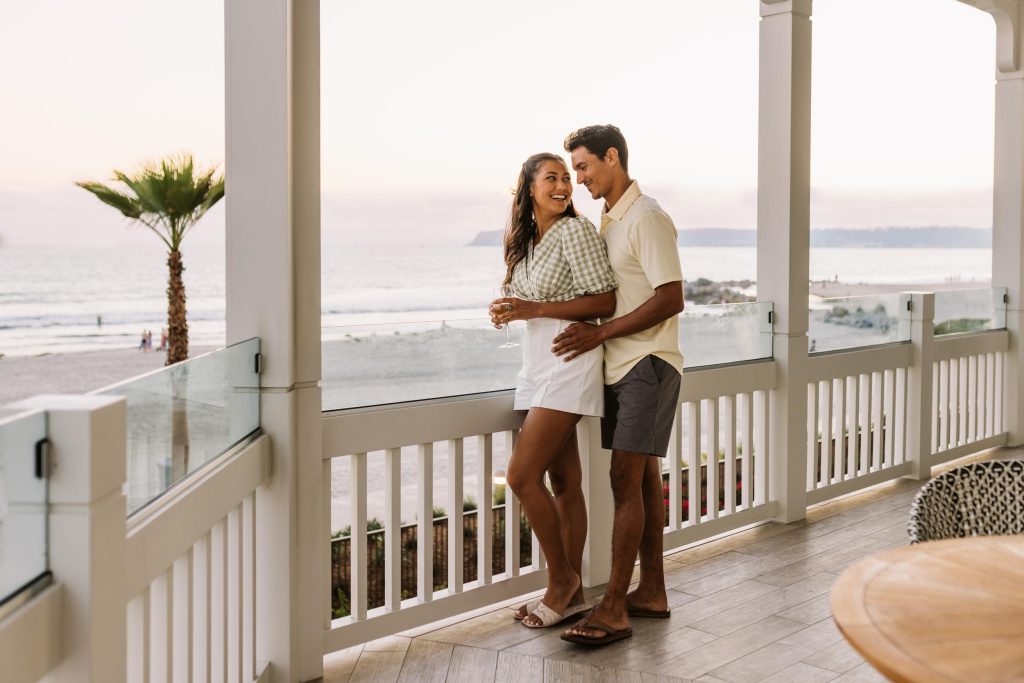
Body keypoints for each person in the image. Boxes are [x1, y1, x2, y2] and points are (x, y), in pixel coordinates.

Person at [555, 125, 685, 646]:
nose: (579, 178)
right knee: (643, 479)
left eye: (584, 166)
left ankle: (613, 606)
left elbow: (671, 297)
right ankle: (650, 591)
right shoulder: (610, 219)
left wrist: (600, 334)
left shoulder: (646, 217)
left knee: (622, 480)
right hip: (622, 365)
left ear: (613, 158)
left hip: (647, 363)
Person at [488, 152, 617, 628]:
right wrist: (506, 309)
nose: (564, 185)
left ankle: (560, 581)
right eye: (552, 178)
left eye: (567, 177)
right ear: (529, 187)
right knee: (563, 482)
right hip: (535, 365)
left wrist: (533, 311)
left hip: (569, 361)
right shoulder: (523, 242)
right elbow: (525, 300)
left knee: (522, 477)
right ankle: (576, 593)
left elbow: (604, 299)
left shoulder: (575, 231)